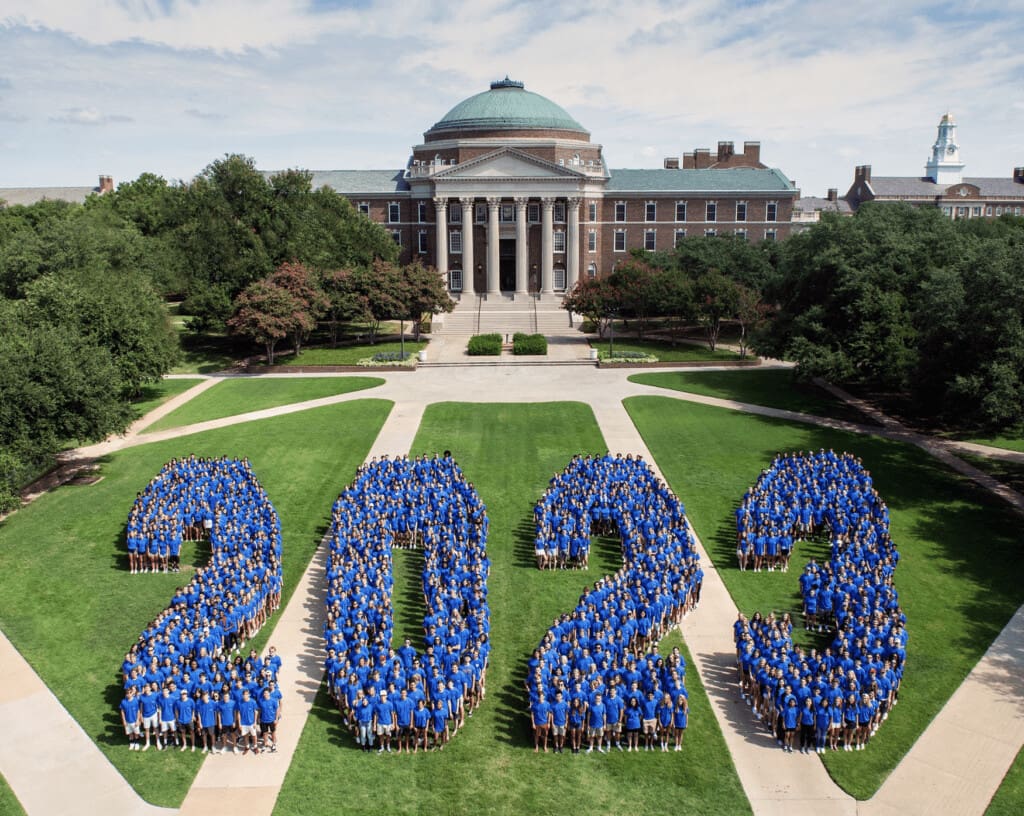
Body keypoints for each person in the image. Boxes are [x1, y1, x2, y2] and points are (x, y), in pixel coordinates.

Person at [237, 688, 260, 754]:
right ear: (242, 695)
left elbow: (256, 712)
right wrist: (239, 724)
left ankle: (255, 747)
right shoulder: (240, 702)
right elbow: (238, 713)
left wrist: (255, 722)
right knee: (245, 735)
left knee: (254, 735)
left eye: (246, 694)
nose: (245, 696)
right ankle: (247, 747)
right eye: (244, 694)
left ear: (249, 695)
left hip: (251, 723)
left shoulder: (253, 702)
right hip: (243, 723)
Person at [258, 687, 280, 754]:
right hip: (263, 720)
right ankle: (265, 744)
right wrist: (258, 718)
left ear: (269, 693)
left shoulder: (273, 701)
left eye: (267, 693)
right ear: (263, 694)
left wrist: (276, 719)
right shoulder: (261, 701)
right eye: (264, 693)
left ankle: (273, 744)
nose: (265, 694)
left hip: (271, 720)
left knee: (273, 732)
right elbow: (259, 710)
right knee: (265, 733)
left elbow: (277, 710)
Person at [120, 687, 142, 751]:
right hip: (127, 721)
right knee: (130, 733)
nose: (129, 694)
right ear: (126, 694)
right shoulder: (123, 701)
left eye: (130, 693)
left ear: (132, 693)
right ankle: (132, 743)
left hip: (135, 720)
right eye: (127, 693)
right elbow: (122, 712)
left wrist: (138, 720)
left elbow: (138, 711)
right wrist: (124, 720)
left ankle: (137, 743)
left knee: (136, 733)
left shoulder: (135, 701)